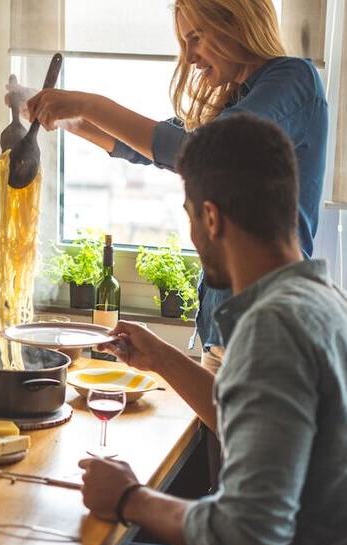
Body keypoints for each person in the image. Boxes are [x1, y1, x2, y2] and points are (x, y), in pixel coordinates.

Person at [78, 115, 347, 545]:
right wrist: (161, 358)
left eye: (189, 216)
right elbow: (255, 424)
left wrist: (130, 497)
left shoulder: (271, 328)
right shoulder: (324, 301)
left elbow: (244, 540)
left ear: (210, 217)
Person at [20, 0, 327, 371]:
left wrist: (89, 103)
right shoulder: (240, 99)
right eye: (184, 43)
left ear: (235, 23)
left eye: (195, 38)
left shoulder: (294, 79)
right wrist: (70, 117)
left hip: (267, 330)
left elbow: (194, 150)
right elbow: (152, 150)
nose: (190, 57)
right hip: (222, 335)